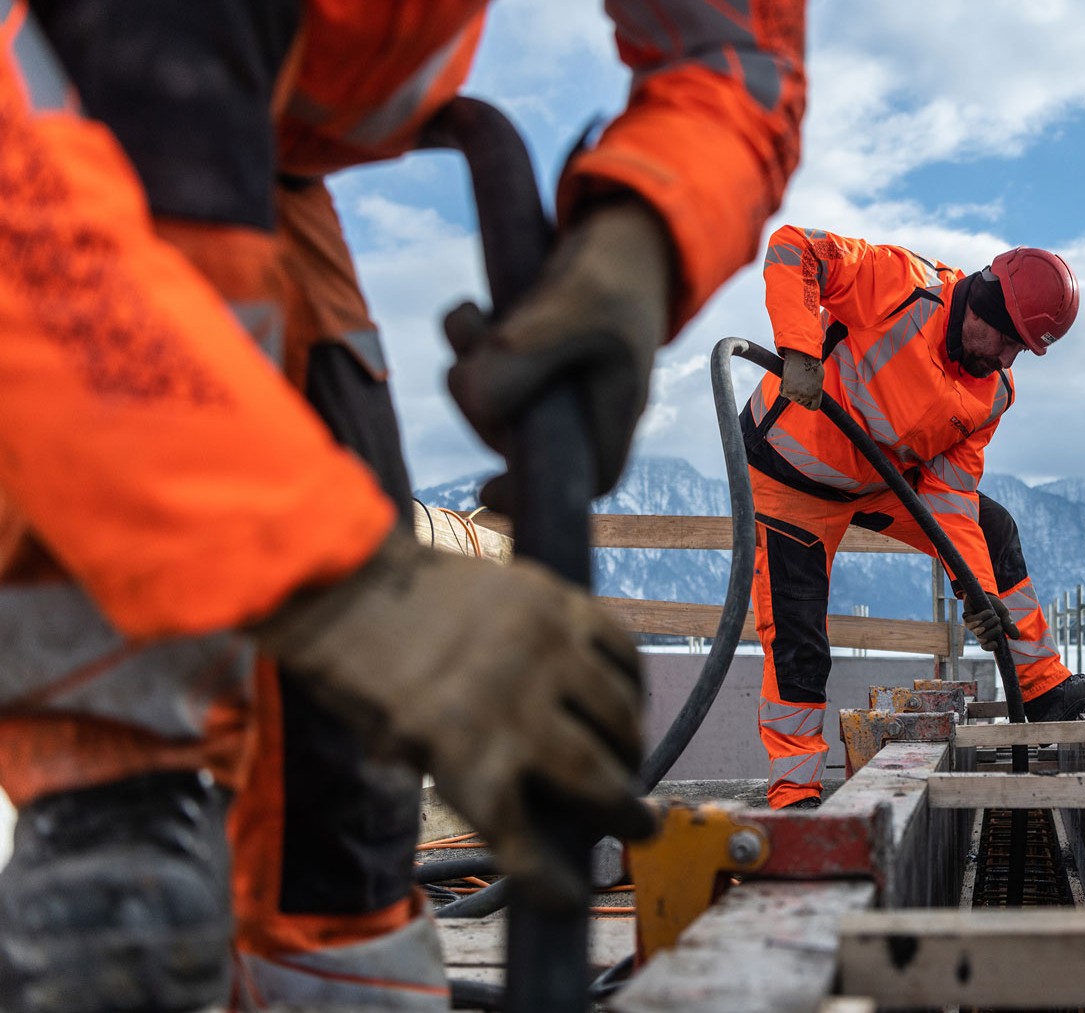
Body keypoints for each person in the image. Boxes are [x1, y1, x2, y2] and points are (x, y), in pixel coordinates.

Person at [0, 1, 804, 1009]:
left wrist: (646, 237)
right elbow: (31, 253)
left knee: (340, 795)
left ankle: (339, 962)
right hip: (96, 104)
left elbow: (732, 54)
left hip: (271, 145)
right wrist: (344, 585)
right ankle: (115, 828)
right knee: (143, 817)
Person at [743, 225, 1085, 810]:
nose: (1009, 359)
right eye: (1010, 340)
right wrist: (800, 347)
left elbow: (950, 497)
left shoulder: (993, 392)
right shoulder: (899, 285)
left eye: (1024, 351)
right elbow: (794, 248)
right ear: (985, 303)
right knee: (798, 635)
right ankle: (794, 789)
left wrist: (976, 591)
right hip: (789, 474)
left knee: (993, 527)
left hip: (879, 484)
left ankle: (1042, 687)